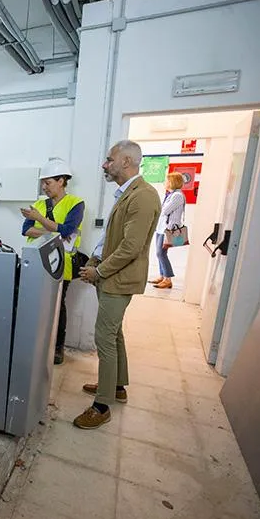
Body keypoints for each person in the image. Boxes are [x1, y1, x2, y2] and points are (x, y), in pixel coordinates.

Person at [75, 140, 160, 429]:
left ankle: (102, 405)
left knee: (104, 338)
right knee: (115, 333)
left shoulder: (143, 196)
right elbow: (111, 238)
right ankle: (117, 387)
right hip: (111, 274)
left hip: (118, 279)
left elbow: (130, 248)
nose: (104, 164)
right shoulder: (127, 194)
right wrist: (95, 259)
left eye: (109, 159)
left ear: (126, 161)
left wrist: (99, 272)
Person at [21, 157, 85, 365]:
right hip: (36, 260)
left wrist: (39, 220)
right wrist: (52, 230)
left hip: (61, 263)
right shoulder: (40, 204)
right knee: (35, 303)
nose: (44, 187)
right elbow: (25, 230)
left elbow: (68, 230)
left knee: (58, 305)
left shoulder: (76, 204)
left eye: (47, 182)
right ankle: (36, 343)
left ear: (61, 181)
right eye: (43, 183)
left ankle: (58, 347)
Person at [150, 172, 187, 289]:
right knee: (159, 253)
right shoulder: (170, 195)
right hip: (161, 228)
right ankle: (162, 276)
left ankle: (168, 279)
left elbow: (165, 210)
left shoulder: (178, 196)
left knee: (161, 253)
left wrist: (158, 208)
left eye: (167, 181)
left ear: (172, 182)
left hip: (168, 229)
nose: (165, 183)